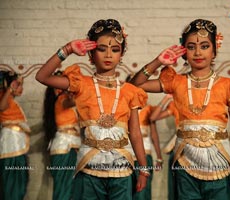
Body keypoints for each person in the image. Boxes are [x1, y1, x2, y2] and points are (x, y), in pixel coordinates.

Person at [130, 18, 230, 199]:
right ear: (184, 51)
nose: (198, 52)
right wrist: (158, 61)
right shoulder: (176, 81)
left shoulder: (228, 85)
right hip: (185, 162)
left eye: (204, 46)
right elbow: (135, 85)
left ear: (215, 49)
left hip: (219, 160)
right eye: (191, 46)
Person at [35, 19, 149, 200]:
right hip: (89, 167)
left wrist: (143, 169)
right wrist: (67, 49)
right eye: (101, 49)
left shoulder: (130, 91)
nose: (108, 55)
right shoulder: (82, 84)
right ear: (91, 54)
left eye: (115, 49)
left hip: (121, 168)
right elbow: (42, 76)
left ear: (121, 54)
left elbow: (135, 133)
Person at [42, 70, 81, 200]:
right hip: (64, 147)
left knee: (70, 187)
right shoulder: (61, 100)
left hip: (71, 147)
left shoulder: (64, 99)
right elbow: (76, 101)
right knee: (64, 187)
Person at [0, 70, 31, 200]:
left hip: (17, 144)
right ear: (8, 84)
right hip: (11, 144)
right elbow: (1, 107)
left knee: (20, 178)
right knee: (12, 179)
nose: (21, 88)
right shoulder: (3, 97)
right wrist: (9, 90)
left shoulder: (12, 101)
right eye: (18, 84)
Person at [126, 102, 163, 200]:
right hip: (126, 156)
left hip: (145, 155)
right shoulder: (123, 107)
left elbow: (154, 134)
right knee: (126, 192)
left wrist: (159, 157)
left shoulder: (148, 109)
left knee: (142, 192)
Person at [149, 94, 179, 200]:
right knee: (178, 188)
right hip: (181, 150)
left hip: (204, 148)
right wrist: (165, 99)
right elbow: (153, 117)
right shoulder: (176, 104)